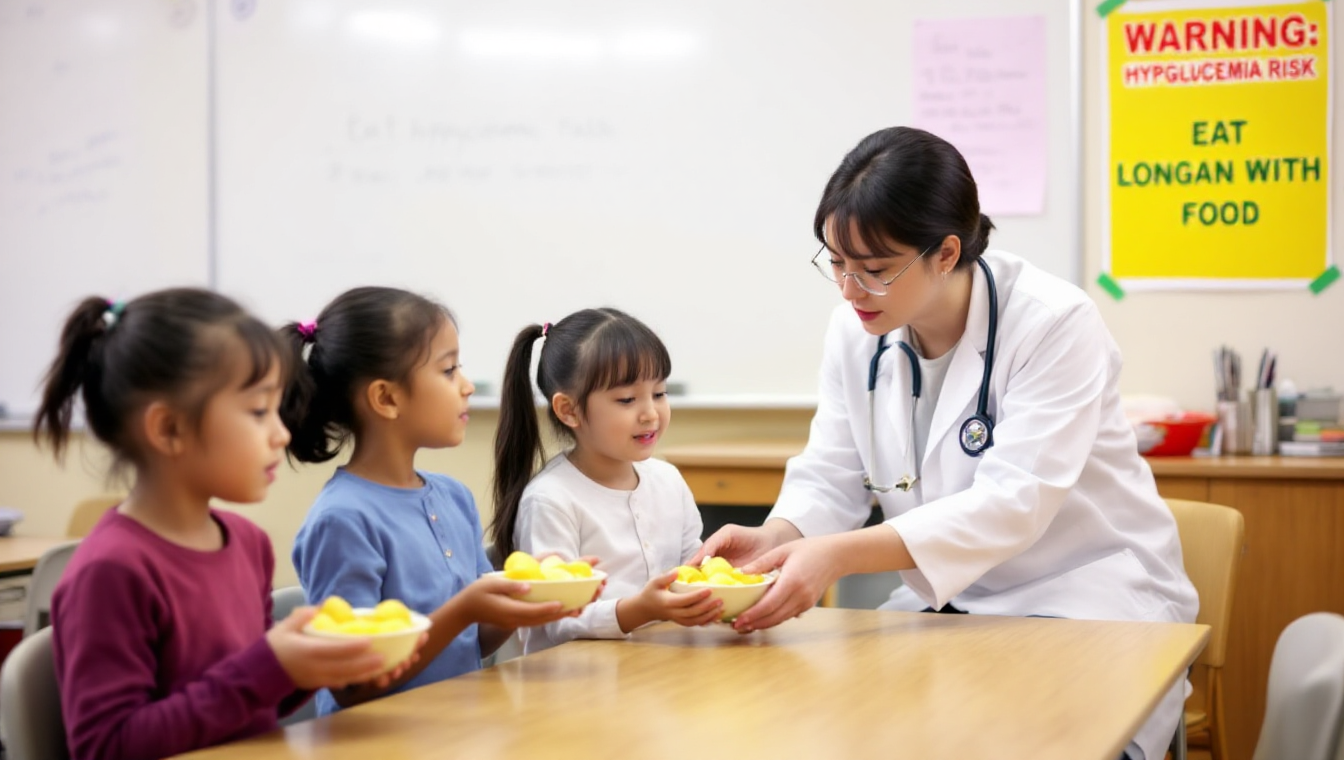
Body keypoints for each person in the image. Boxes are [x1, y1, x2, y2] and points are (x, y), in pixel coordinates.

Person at [696, 127, 1197, 760]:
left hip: (1087, 598)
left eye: (874, 270)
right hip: (953, 606)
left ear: (945, 252)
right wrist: (780, 537)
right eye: (837, 265)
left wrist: (836, 557)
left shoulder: (1053, 322)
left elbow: (1012, 503)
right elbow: (830, 471)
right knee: (845, 728)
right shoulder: (857, 332)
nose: (850, 290)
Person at [35, 290, 406, 760]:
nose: (282, 433)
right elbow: (108, 746)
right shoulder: (111, 570)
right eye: (257, 412)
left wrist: (308, 667)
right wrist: (270, 666)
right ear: (168, 429)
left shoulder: (248, 543)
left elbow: (246, 703)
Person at [283, 287, 576, 714]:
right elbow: (351, 684)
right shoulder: (342, 520)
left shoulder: (452, 497)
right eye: (448, 370)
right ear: (386, 398)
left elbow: (474, 639)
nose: (468, 385)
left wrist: (524, 602)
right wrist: (462, 611)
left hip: (457, 728)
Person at [491, 308, 721, 654]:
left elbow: (692, 567)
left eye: (659, 393)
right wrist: (638, 610)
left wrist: (724, 581)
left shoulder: (667, 479)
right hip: (572, 686)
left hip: (656, 672)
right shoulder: (551, 500)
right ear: (568, 410)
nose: (650, 413)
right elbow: (557, 618)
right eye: (627, 399)